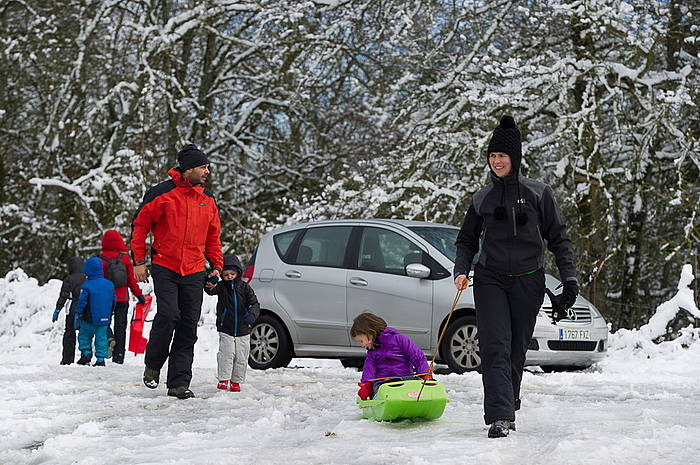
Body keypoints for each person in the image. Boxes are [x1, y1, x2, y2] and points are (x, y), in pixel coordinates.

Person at [453, 115, 579, 438]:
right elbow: (467, 239)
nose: (496, 161)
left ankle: (508, 399)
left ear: (515, 159)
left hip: (528, 279)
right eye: (492, 156)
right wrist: (460, 269)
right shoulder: (482, 198)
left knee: (516, 348)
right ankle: (500, 415)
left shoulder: (539, 194)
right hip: (490, 278)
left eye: (502, 156)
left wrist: (570, 279)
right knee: (495, 345)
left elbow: (559, 238)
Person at [131, 144, 223, 399]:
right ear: (190, 168)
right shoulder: (161, 194)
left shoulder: (208, 198)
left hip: (194, 269)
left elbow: (213, 237)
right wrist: (139, 261)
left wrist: (216, 266)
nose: (207, 171)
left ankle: (179, 383)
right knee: (169, 315)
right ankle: (153, 365)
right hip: (165, 265)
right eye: (203, 167)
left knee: (188, 325)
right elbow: (139, 226)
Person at [204, 254, 260, 392]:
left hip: (243, 328)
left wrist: (252, 314)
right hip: (226, 327)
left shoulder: (245, 288)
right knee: (226, 354)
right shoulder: (222, 287)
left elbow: (254, 303)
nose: (229, 277)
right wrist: (209, 281)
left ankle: (236, 381)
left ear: (238, 273)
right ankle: (224, 379)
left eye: (232, 274)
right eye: (226, 274)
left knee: (241, 355)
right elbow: (210, 289)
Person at [351, 312, 430, 400]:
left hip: (405, 379)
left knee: (417, 386)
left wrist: (424, 374)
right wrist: (367, 385)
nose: (362, 345)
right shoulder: (372, 352)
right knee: (379, 392)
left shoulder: (400, 340)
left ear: (370, 333)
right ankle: (382, 401)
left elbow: (418, 357)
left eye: (361, 341)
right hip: (383, 383)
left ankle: (420, 398)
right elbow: (369, 370)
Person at [98, 229, 146, 364]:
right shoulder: (124, 258)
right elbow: (131, 280)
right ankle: (119, 357)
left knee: (103, 323)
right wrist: (139, 295)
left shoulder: (100, 260)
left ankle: (109, 338)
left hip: (106, 299)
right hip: (122, 298)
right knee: (121, 327)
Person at [74, 257, 116, 366]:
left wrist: (78, 313)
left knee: (84, 335)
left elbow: (82, 302)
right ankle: (101, 359)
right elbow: (114, 300)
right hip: (104, 318)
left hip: (89, 318)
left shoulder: (87, 285)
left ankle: (86, 353)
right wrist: (110, 313)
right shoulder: (109, 284)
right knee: (101, 338)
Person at [52, 257, 86, 365]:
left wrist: (58, 309)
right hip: (85, 309)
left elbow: (64, 295)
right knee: (84, 334)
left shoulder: (69, 279)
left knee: (69, 334)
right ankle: (85, 356)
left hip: (72, 308)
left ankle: (67, 359)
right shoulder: (87, 278)